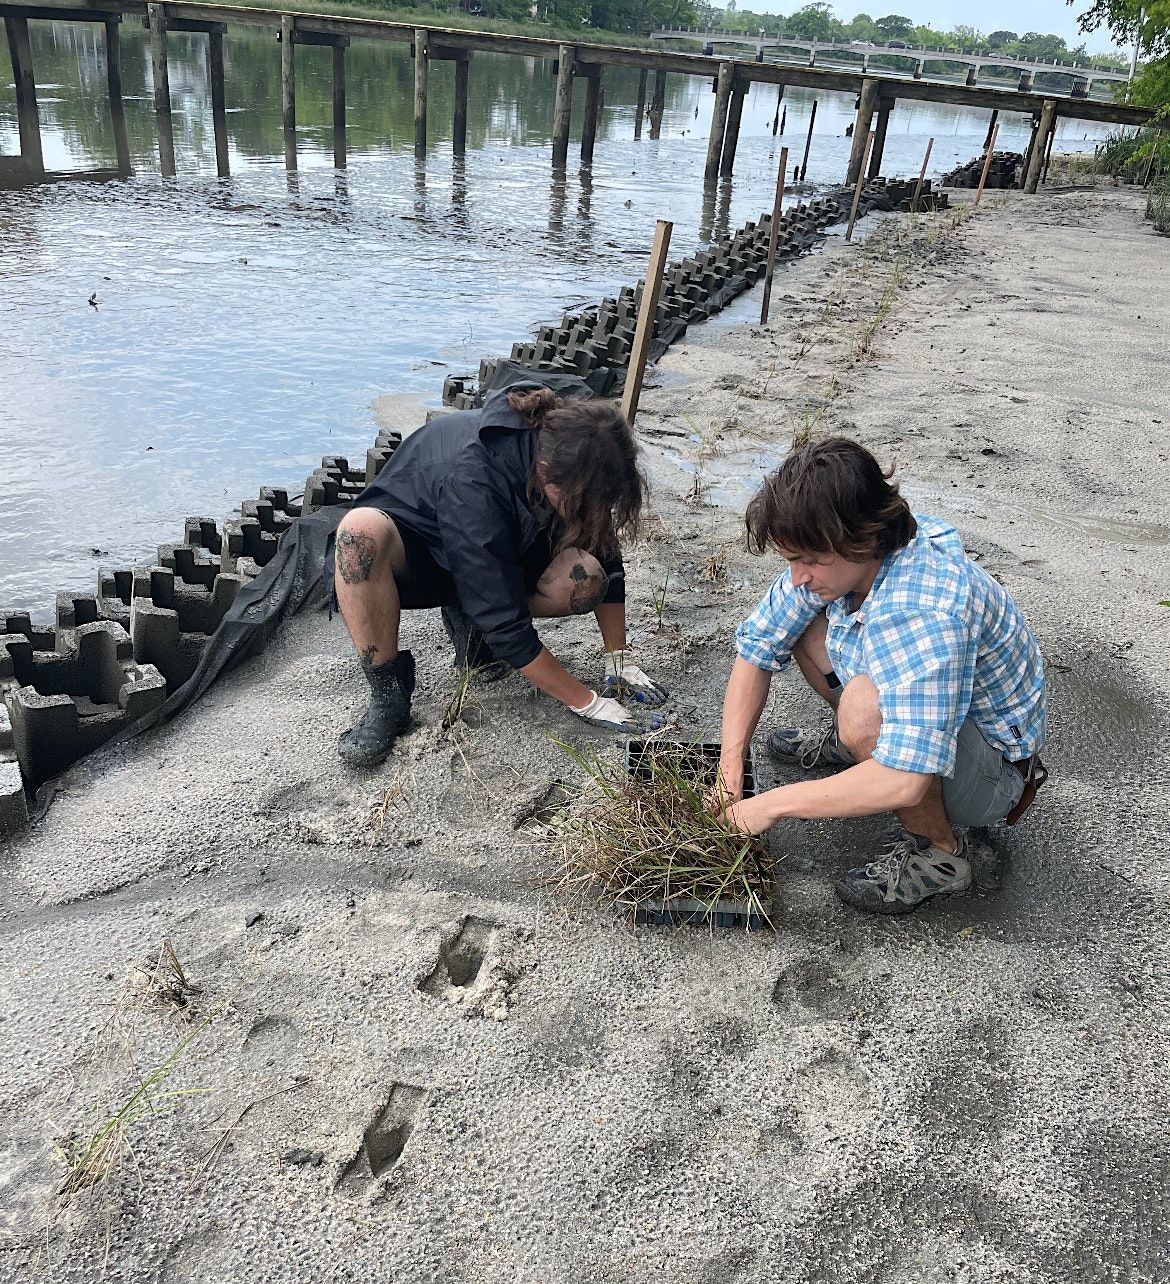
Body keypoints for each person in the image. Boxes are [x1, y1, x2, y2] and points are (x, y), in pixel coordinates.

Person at [715, 437, 1047, 915]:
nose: (796, 576)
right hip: (931, 717)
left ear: (864, 536)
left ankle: (942, 855)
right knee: (803, 621)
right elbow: (756, 650)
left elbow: (906, 781)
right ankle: (858, 747)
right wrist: (731, 762)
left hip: (994, 775)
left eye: (808, 561)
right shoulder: (842, 562)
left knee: (865, 709)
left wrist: (764, 805)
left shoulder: (924, 608)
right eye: (791, 559)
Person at [325, 384, 667, 767]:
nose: (590, 511)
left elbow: (606, 552)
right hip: (413, 558)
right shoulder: (474, 480)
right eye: (582, 501)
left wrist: (617, 660)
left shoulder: (570, 445)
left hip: (492, 550)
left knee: (585, 578)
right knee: (359, 534)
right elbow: (506, 627)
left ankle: (468, 623)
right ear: (546, 474)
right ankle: (388, 696)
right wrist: (586, 702)